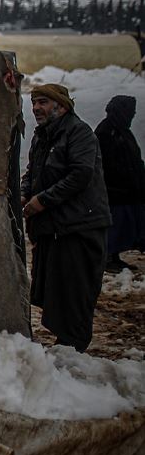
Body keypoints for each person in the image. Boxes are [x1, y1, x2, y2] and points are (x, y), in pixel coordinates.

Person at [21, 83, 110, 352]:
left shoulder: (78, 133)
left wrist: (42, 201)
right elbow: (32, 172)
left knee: (74, 291)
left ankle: (74, 349)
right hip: (55, 228)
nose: (37, 108)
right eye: (35, 102)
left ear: (62, 105)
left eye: (43, 102)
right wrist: (24, 192)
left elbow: (80, 175)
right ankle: (66, 345)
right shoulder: (43, 136)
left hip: (79, 226)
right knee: (56, 289)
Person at [96, 94, 145, 273]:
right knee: (115, 227)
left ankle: (114, 256)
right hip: (114, 192)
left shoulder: (122, 130)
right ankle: (109, 257)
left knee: (125, 226)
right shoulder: (106, 132)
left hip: (126, 191)